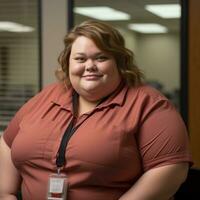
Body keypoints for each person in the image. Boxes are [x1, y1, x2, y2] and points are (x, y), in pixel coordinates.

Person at [0, 20, 193, 200]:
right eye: (80, 59)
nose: (90, 66)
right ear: (68, 64)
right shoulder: (47, 96)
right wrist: (6, 194)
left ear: (119, 62)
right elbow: (8, 144)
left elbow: (170, 169)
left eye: (101, 58)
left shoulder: (149, 104)